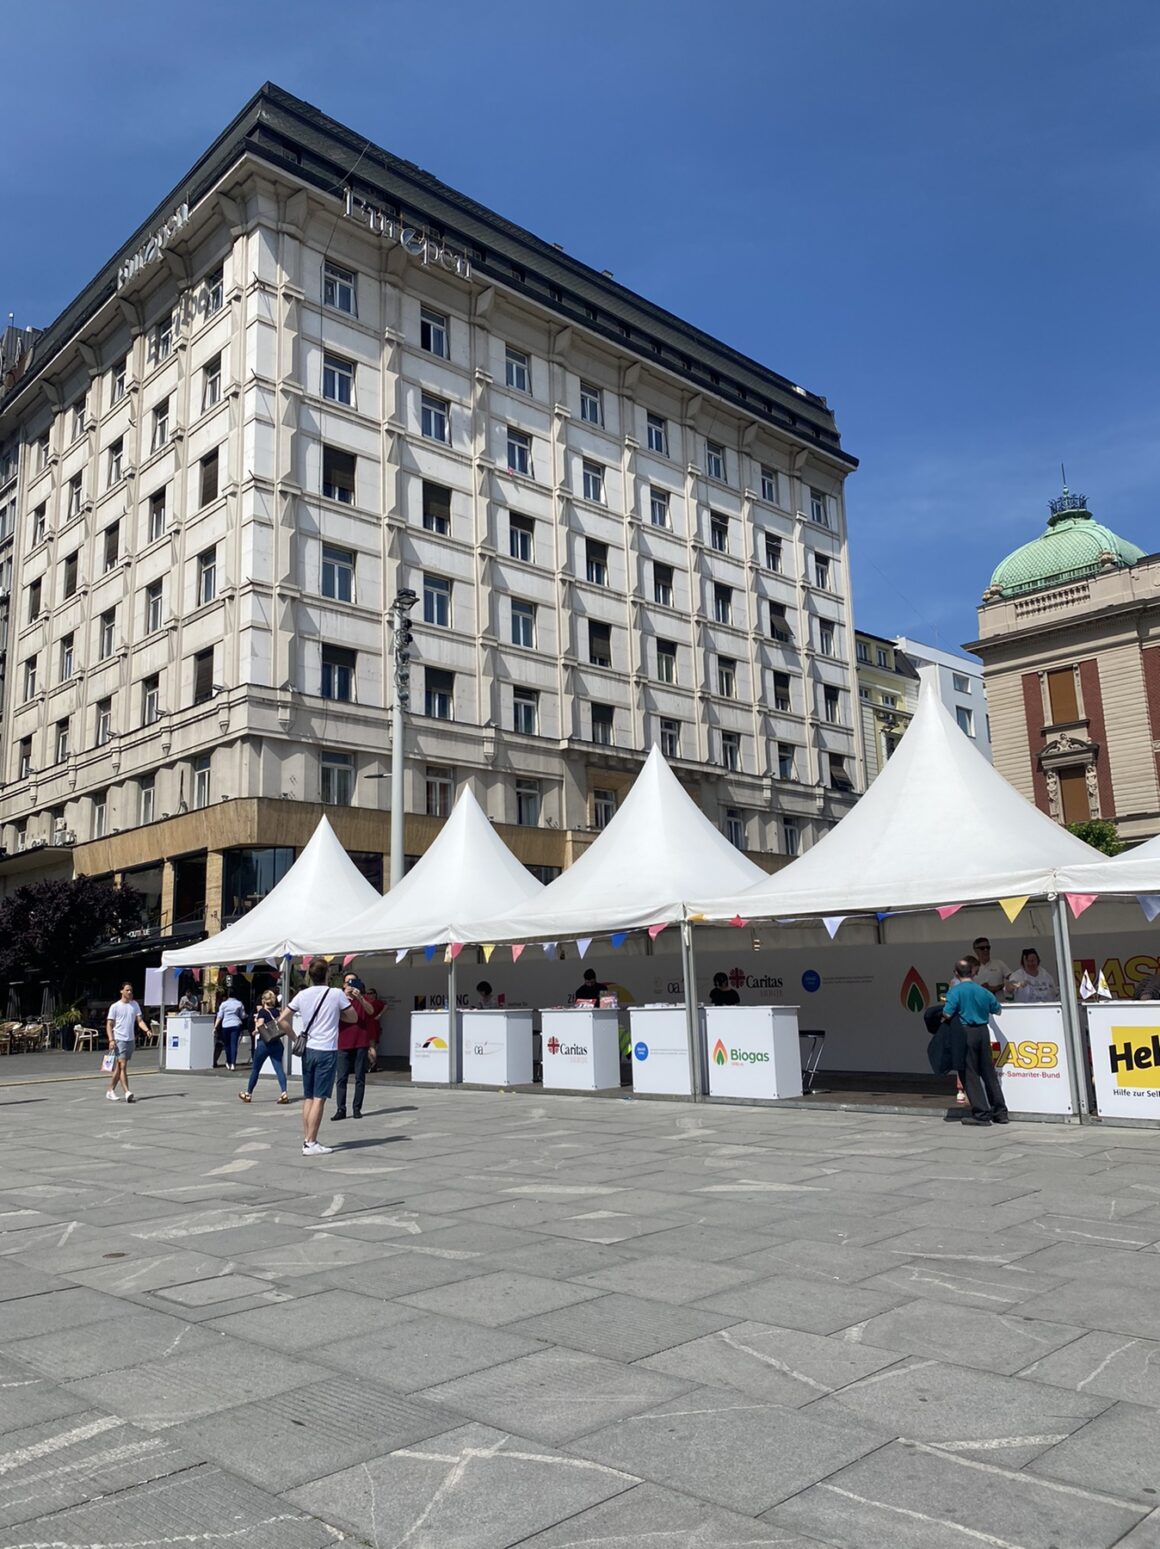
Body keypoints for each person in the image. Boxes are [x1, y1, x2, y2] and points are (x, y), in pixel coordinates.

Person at [278, 958, 356, 1155]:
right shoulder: (336, 993)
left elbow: (282, 1020)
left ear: (310, 975)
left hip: (308, 1050)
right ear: (327, 974)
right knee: (319, 1098)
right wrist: (338, 1014)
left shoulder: (302, 995)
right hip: (327, 1050)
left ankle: (307, 1139)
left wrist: (295, 1038)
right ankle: (311, 1143)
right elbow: (353, 1017)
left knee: (309, 1097)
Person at [943, 958, 1008, 1126]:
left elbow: (947, 1014)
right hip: (982, 1031)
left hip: (966, 1032)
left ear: (956, 973)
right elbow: (997, 1010)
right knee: (988, 1072)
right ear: (973, 972)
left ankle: (981, 1113)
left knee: (969, 1073)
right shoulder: (983, 991)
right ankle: (1000, 1112)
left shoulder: (955, 992)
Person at [333, 973, 383, 1121]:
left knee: (360, 1077)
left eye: (353, 982)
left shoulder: (363, 999)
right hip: (343, 1042)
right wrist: (345, 996)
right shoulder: (339, 999)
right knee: (341, 1077)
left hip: (360, 1041)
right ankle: (341, 1108)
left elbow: (371, 1011)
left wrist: (360, 997)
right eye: (348, 982)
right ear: (343, 985)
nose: (350, 985)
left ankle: (357, 1108)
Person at [239, 990, 289, 1104]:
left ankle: (248, 1094)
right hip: (277, 1043)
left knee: (256, 1069)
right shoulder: (277, 1012)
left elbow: (260, 1026)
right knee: (279, 1068)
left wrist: (256, 1029)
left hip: (264, 1044)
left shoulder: (262, 1012)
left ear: (263, 1000)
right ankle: (284, 1092)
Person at [105, 983, 151, 1103]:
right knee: (122, 1066)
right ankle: (127, 1092)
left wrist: (146, 1030)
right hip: (119, 1039)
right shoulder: (115, 1006)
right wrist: (111, 1040)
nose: (130, 992)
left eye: (131, 990)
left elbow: (139, 1021)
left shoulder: (134, 1005)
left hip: (130, 1040)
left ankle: (110, 1090)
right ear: (121, 991)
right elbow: (109, 1025)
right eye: (127, 990)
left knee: (119, 1068)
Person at [213, 988, 248, 1071]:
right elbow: (242, 1015)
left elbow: (220, 1016)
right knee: (234, 1044)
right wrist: (246, 1016)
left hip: (226, 1025)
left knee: (227, 1045)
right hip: (236, 1024)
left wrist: (215, 1027)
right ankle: (233, 1063)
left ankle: (228, 1061)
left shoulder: (223, 1004)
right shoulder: (239, 1003)